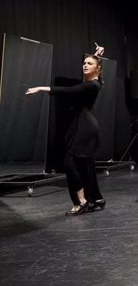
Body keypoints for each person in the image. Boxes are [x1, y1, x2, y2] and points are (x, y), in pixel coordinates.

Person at [26, 43, 106, 215]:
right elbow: (93, 71)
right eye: (84, 63)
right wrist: (96, 55)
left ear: (98, 68)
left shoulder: (92, 85)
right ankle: (95, 199)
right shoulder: (96, 82)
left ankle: (82, 201)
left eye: (89, 63)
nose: (85, 65)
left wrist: (41, 88)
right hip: (84, 125)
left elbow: (68, 90)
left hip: (84, 128)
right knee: (83, 165)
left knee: (70, 163)